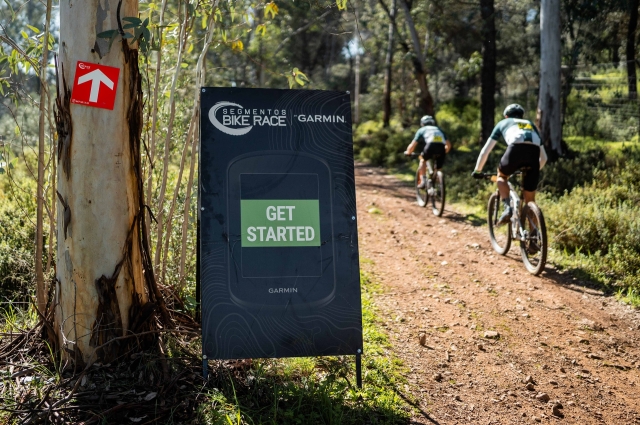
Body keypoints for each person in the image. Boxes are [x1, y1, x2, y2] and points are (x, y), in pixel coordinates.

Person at [471, 104, 548, 225]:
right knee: (530, 200)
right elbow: (544, 158)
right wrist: (532, 170)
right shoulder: (531, 124)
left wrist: (477, 170)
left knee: (501, 176)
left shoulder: (503, 123)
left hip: (516, 149)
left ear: (506, 116)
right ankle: (534, 237)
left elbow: (485, 151)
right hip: (534, 154)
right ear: (521, 116)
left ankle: (508, 208)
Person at [404, 115, 452, 190]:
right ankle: (439, 186)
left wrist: (408, 152)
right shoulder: (438, 129)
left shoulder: (422, 129)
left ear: (422, 123)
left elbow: (413, 145)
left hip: (430, 145)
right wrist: (443, 152)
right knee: (438, 168)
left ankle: (423, 181)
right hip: (441, 147)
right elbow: (448, 145)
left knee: (422, 159)